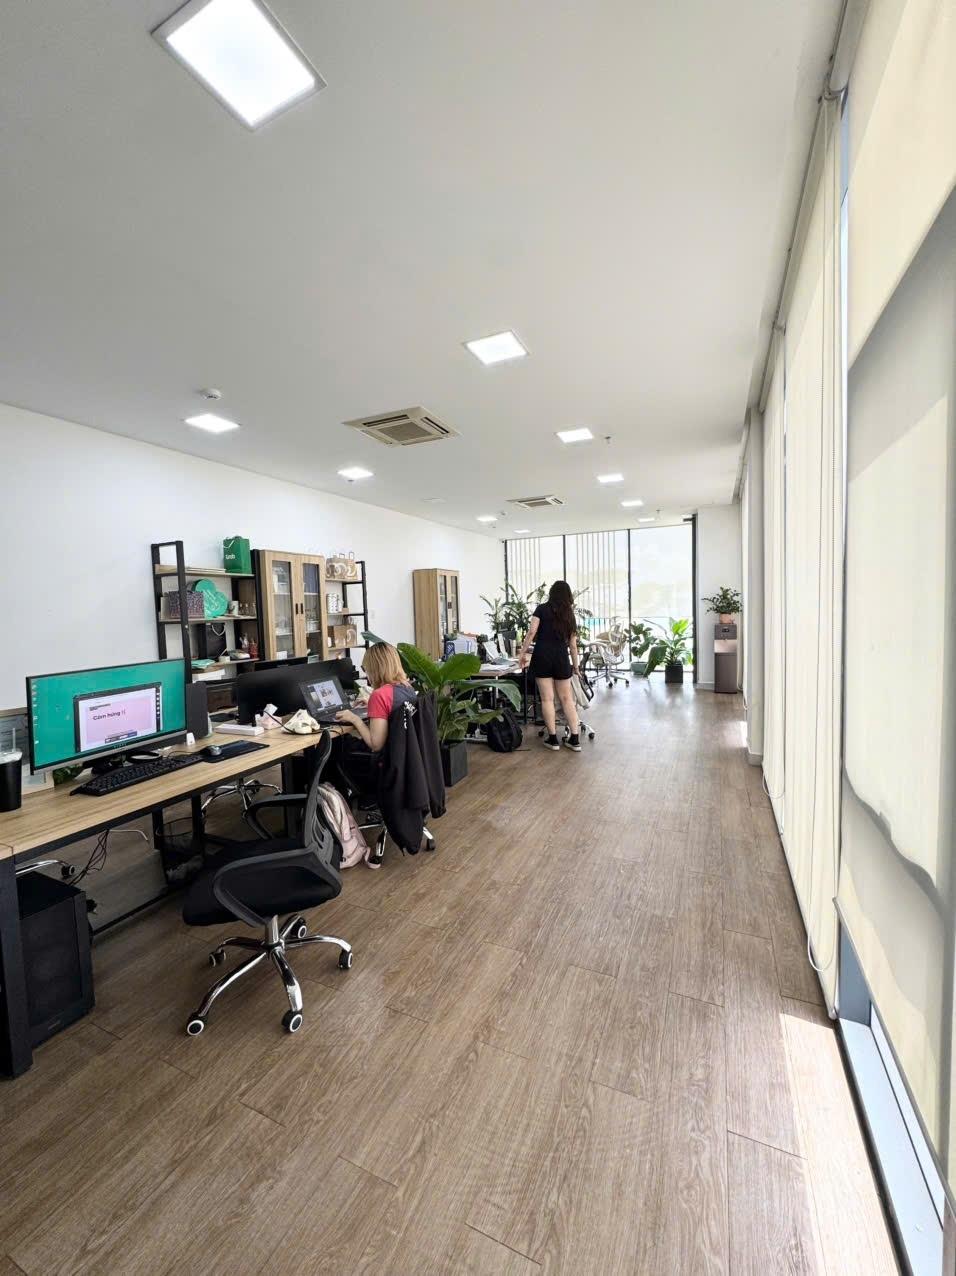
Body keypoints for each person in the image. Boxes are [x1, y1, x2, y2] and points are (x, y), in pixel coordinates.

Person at [517, 581, 582, 752]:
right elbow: (573, 645)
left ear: (551, 593)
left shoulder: (541, 609)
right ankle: (575, 739)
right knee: (567, 699)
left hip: (542, 656)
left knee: (547, 699)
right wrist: (576, 666)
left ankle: (553, 739)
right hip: (561, 657)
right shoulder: (569, 614)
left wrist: (522, 653)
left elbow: (532, 632)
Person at [335, 641, 416, 751]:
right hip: (403, 753)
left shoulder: (379, 695)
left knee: (338, 743)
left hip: (384, 757)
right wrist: (374, 706)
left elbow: (376, 745)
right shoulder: (407, 687)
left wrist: (354, 719)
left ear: (374, 669)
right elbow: (393, 713)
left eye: (365, 669)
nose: (366, 673)